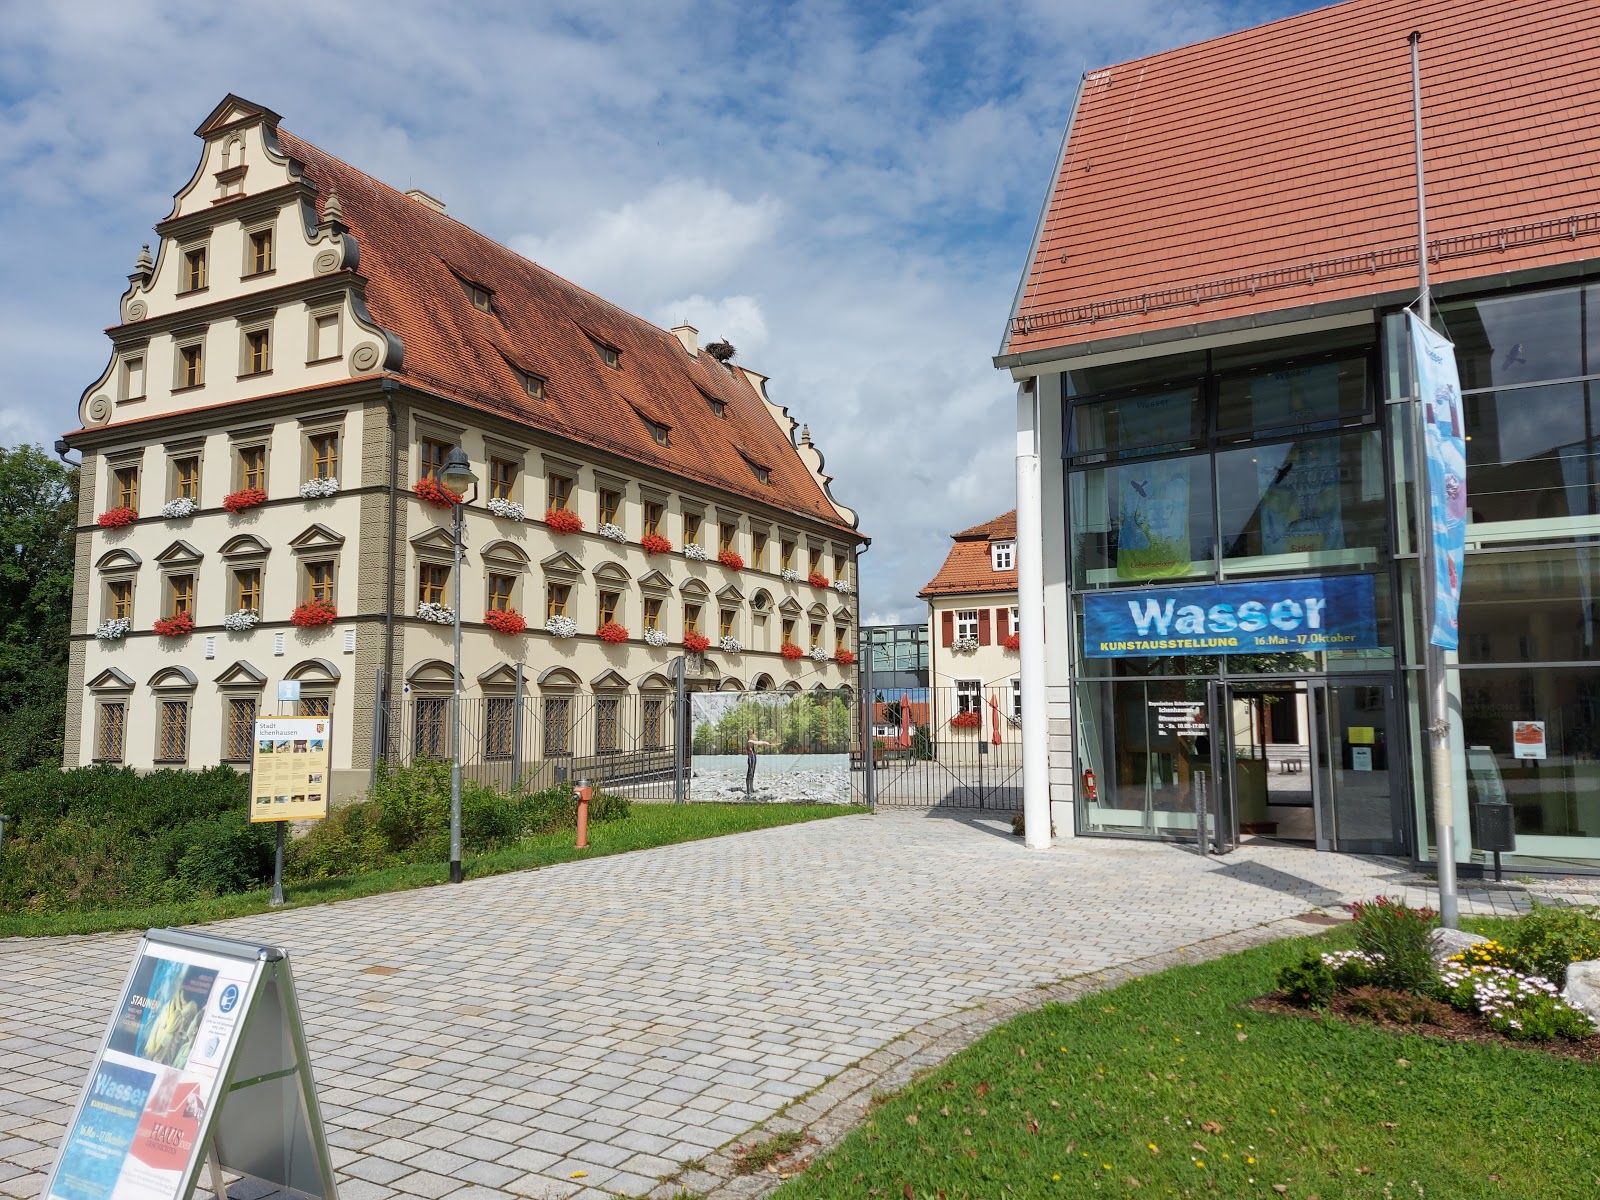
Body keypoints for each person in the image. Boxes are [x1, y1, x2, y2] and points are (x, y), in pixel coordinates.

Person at [745, 731, 773, 796]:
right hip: (751, 759)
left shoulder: (751, 741)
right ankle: (748, 790)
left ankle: (751, 789)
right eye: (751, 733)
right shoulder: (749, 741)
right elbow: (757, 742)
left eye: (752, 733)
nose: (753, 734)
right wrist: (764, 742)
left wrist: (765, 743)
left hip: (754, 758)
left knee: (752, 774)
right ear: (749, 734)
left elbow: (756, 742)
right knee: (749, 773)